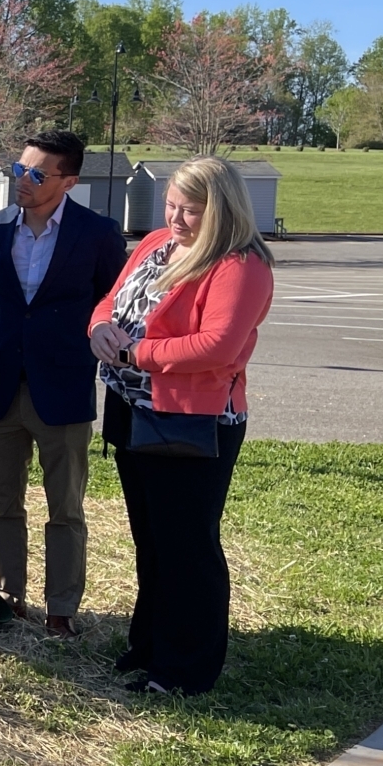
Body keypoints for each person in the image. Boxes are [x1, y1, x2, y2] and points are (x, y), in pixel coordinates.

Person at [89, 157, 272, 696]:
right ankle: (149, 645)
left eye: (191, 210)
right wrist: (99, 327)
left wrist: (136, 352)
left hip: (194, 420)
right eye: (171, 205)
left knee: (186, 546)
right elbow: (110, 299)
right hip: (132, 407)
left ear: (222, 209)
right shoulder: (154, 245)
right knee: (151, 538)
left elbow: (219, 345)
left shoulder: (240, 264)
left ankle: (185, 669)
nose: (177, 218)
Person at [0, 130, 128, 637]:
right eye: (20, 169)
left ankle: (61, 608)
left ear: (70, 180)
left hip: (62, 389)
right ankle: (9, 593)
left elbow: (109, 302)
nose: (24, 181)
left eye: (38, 174)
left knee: (66, 507)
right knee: (3, 501)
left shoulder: (99, 235)